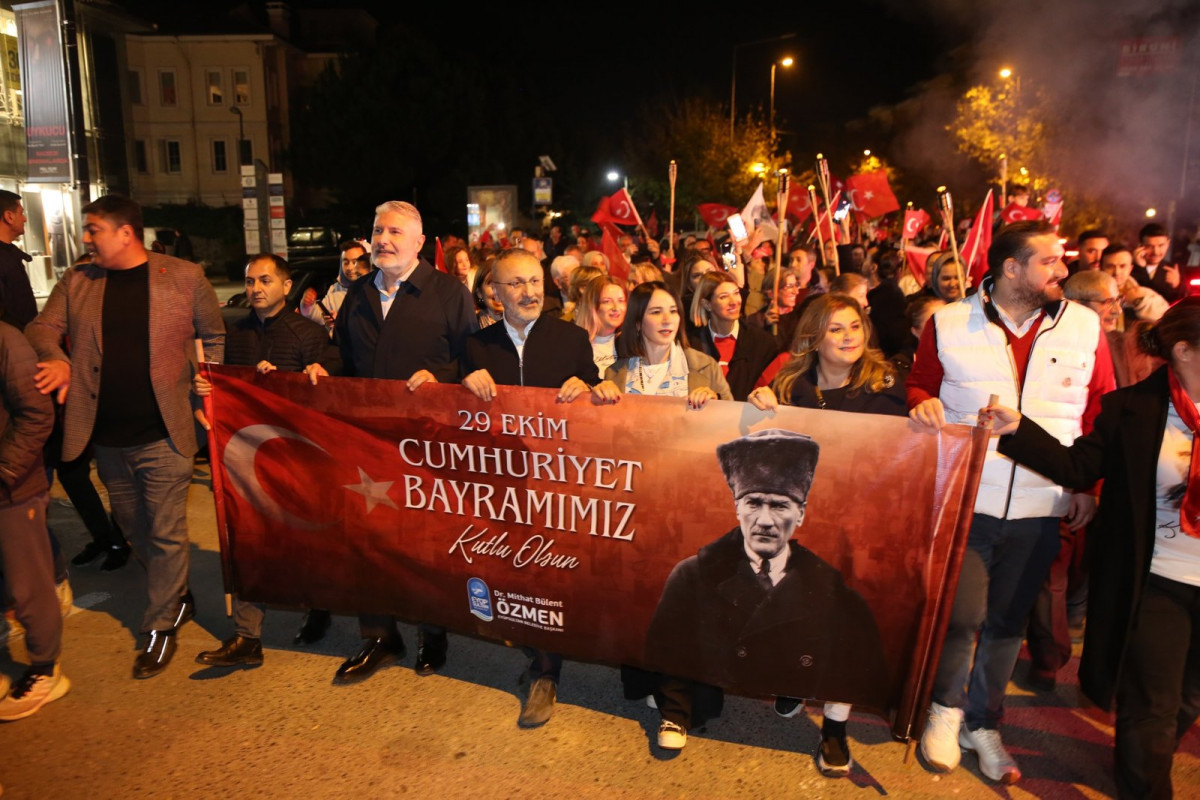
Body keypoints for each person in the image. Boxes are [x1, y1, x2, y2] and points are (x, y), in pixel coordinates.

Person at [908, 220, 1115, 784]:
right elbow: (920, 383)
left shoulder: (1084, 326)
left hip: (1043, 502)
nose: (1063, 270)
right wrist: (921, 402)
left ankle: (983, 721)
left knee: (1007, 621)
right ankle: (945, 710)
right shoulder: (949, 322)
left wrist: (1086, 487)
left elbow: (1099, 411)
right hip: (966, 497)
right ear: (1011, 268)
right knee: (962, 616)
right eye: (1050, 261)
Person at [985, 298, 1200, 799]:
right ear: (1185, 350)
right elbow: (1078, 467)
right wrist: (1019, 429)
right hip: (1157, 582)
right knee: (1152, 704)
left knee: (1190, 698)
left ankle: (1141, 761)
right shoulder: (1133, 409)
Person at [26, 194, 225, 679]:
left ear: (125, 234)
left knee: (166, 530)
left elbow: (214, 336)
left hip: (165, 434)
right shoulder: (78, 280)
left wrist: (207, 390)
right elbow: (41, 327)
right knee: (135, 530)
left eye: (93, 229)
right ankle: (176, 596)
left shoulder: (184, 277)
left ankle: (159, 626)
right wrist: (56, 358)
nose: (85, 238)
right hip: (108, 438)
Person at [640, 429, 887, 763]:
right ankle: (675, 712)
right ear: (737, 508)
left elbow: (853, 662)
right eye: (754, 503)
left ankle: (828, 726)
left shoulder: (831, 587)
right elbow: (666, 644)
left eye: (780, 505)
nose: (765, 520)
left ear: (801, 513)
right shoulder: (692, 574)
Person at [746, 294, 905, 776]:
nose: (849, 336)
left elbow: (901, 453)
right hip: (802, 519)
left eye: (855, 326)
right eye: (836, 329)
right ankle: (797, 676)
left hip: (861, 522)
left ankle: (835, 725)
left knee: (846, 622)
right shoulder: (788, 383)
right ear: (814, 337)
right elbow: (759, 444)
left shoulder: (885, 384)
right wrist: (756, 406)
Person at [332, 200, 477, 683]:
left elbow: (471, 361)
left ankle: (432, 634)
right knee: (369, 540)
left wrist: (440, 377)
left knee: (425, 543)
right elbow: (342, 358)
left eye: (394, 232)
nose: (383, 240)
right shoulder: (357, 295)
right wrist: (317, 368)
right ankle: (380, 636)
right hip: (367, 443)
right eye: (378, 231)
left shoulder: (449, 293)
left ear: (419, 242)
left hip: (427, 446)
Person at [460, 248, 599, 728]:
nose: (529, 292)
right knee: (510, 574)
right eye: (516, 284)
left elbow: (599, 394)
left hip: (556, 486)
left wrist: (589, 388)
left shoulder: (572, 338)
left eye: (535, 281)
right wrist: (463, 381)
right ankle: (530, 646)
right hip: (499, 488)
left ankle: (546, 672)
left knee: (547, 576)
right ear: (495, 293)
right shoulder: (476, 346)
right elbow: (451, 409)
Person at [192, 254, 341, 667]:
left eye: (265, 280)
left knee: (305, 543)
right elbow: (225, 386)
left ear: (286, 287)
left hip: (298, 459)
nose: (256, 288)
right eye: (250, 281)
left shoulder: (309, 333)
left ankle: (318, 609)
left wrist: (284, 383)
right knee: (248, 539)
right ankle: (247, 636)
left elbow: (325, 391)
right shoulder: (234, 334)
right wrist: (206, 388)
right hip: (247, 457)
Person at [0, 319, 66, 720]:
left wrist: (4, 471)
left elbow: (37, 414)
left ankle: (45, 670)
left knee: (29, 587)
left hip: (12, 490)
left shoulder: (6, 340)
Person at [593, 282, 731, 404]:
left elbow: (731, 418)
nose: (667, 320)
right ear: (638, 322)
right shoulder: (615, 373)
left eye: (673, 311)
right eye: (656, 312)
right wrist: (600, 397)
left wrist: (715, 404)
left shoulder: (706, 366)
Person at [689, 271, 779, 402]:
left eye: (736, 293)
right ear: (707, 304)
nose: (734, 302)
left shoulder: (762, 343)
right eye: (724, 297)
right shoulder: (692, 345)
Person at [307, 240, 370, 328]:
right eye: (346, 262)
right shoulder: (335, 292)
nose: (350, 267)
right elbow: (316, 316)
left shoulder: (379, 290)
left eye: (355, 262)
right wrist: (306, 306)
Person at [1101, 244, 1169, 324]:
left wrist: (1139, 302)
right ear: (1101, 268)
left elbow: (1165, 319)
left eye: (1122, 266)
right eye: (1110, 266)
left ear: (1130, 269)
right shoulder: (1091, 294)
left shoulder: (1145, 294)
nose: (1117, 272)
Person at [574, 275, 626, 376]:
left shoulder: (632, 342)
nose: (616, 308)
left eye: (621, 301)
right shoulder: (575, 345)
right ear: (591, 306)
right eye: (607, 301)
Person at [0, 189, 36, 330]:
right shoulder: (4, 258)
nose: (25, 219)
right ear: (9, 216)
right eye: (21, 213)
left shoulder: (11, 254)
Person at [1134, 222, 1185, 303]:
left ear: (1168, 244)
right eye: (1150, 246)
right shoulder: (1129, 268)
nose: (1156, 252)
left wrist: (1177, 285)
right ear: (1140, 246)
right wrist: (1140, 268)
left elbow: (1185, 302)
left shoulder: (1174, 269)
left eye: (1161, 245)